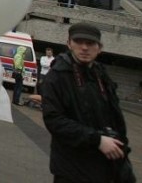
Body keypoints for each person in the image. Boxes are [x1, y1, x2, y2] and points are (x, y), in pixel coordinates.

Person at [42, 22, 134, 183]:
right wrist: (97, 140)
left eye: (90, 43)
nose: (84, 47)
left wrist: (121, 149)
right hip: (72, 169)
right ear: (69, 43)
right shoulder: (57, 77)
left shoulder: (101, 75)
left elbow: (115, 117)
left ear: (100, 47)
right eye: (78, 42)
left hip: (105, 167)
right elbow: (54, 120)